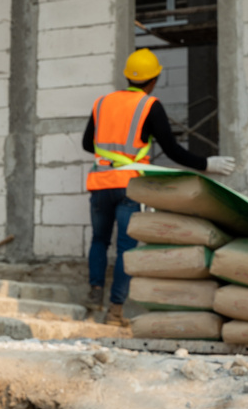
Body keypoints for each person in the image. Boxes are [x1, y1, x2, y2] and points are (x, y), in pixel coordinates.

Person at [81, 48, 235, 327]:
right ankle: (115, 312)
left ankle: (94, 296)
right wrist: (206, 164)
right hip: (130, 187)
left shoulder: (102, 103)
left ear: (127, 76)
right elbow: (173, 150)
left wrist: (112, 153)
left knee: (99, 241)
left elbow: (86, 144)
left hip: (101, 183)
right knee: (126, 248)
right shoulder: (149, 106)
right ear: (153, 80)